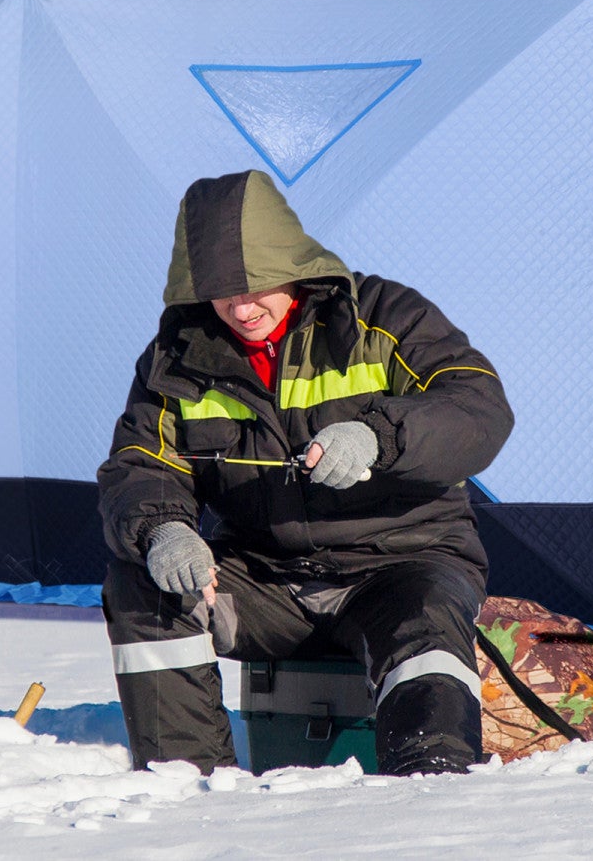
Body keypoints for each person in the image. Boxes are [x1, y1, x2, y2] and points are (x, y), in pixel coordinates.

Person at [97, 169, 514, 776]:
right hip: (267, 582)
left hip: (402, 565)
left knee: (424, 620)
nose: (242, 308)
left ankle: (431, 786)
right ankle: (186, 788)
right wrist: (164, 529)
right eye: (220, 291)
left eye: (258, 284)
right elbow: (140, 461)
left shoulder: (384, 315)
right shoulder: (177, 356)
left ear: (293, 263)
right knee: (146, 584)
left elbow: (478, 409)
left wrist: (378, 437)